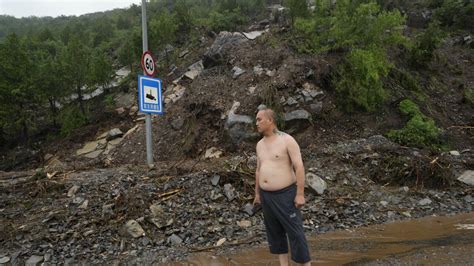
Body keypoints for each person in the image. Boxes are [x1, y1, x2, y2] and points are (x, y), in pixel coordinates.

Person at [253, 105, 311, 266]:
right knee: (275, 234)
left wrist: (300, 194)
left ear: (270, 120)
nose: (256, 123)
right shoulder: (259, 144)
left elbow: (299, 166)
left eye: (259, 119)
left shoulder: (286, 140)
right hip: (266, 197)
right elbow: (258, 170)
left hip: (285, 194)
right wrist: (257, 194)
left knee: (296, 233)